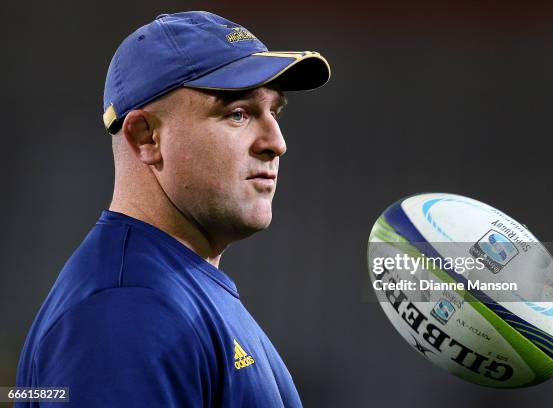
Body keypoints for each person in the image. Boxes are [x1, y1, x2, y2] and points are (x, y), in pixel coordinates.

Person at [15, 11, 330, 407]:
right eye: (238, 113)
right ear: (146, 137)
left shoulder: (172, 291)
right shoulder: (127, 312)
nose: (276, 142)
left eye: (275, 112)